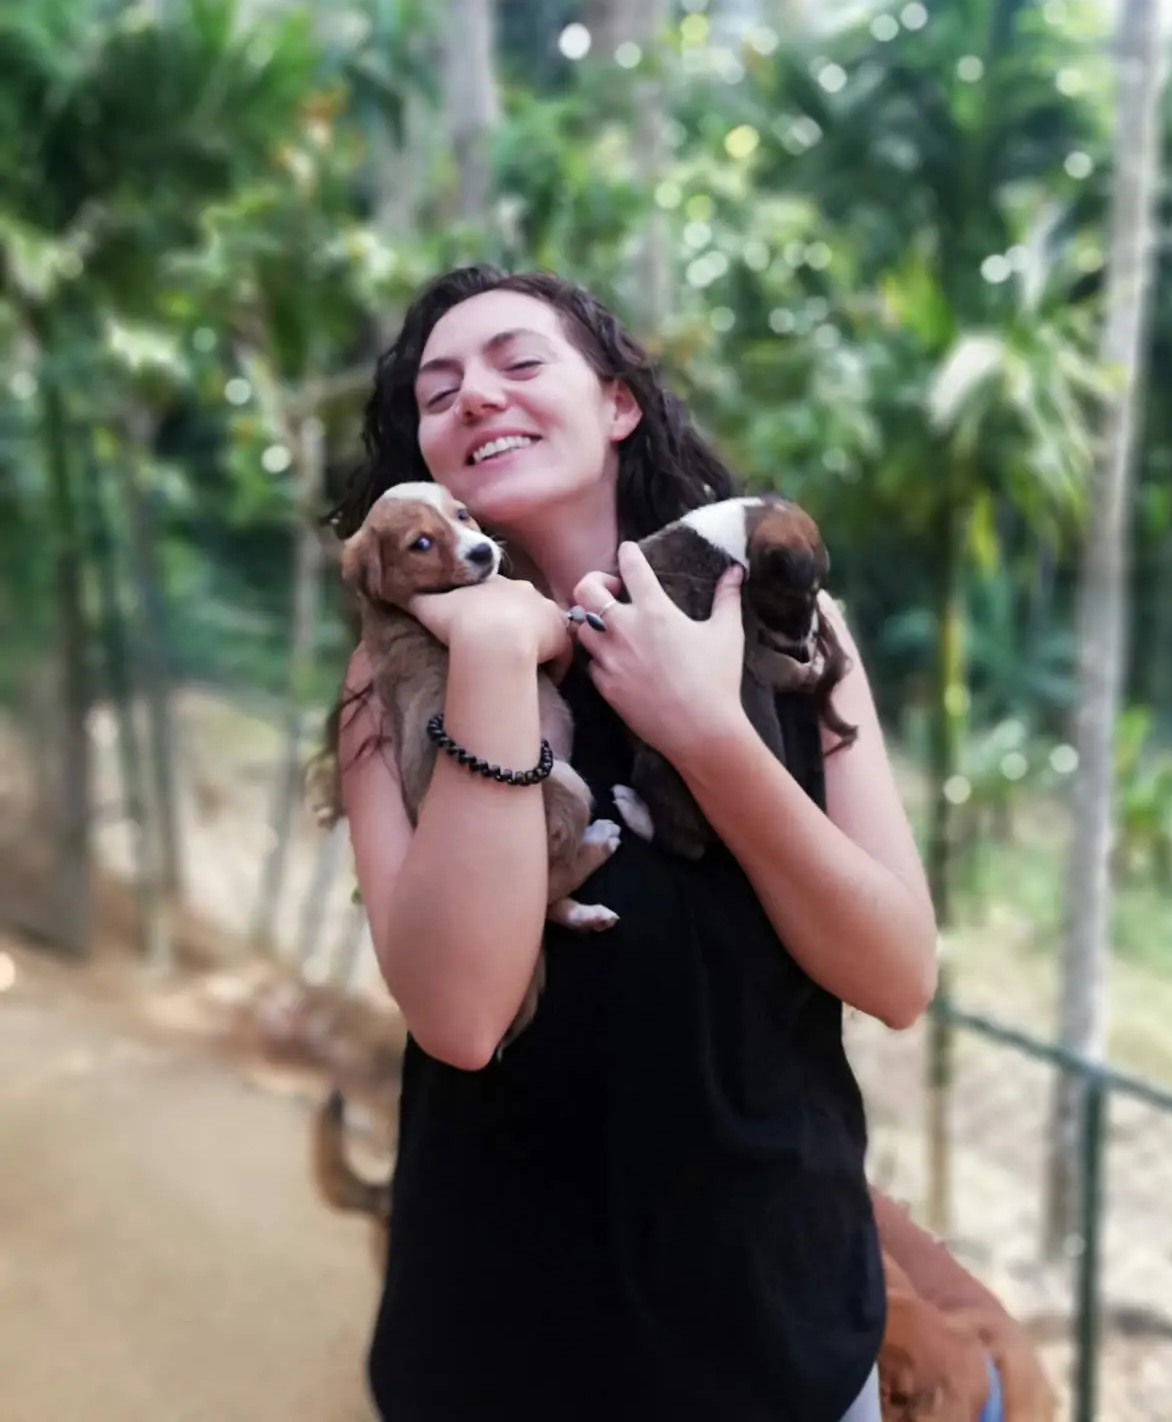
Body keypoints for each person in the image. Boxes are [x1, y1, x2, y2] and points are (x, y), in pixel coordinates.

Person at [330, 264, 938, 1422]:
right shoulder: (391, 672)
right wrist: (498, 655)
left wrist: (703, 728)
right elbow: (461, 1015)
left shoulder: (781, 616)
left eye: (518, 362)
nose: (473, 399)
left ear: (617, 405)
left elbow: (898, 973)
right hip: (500, 1352)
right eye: (438, 389)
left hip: (781, 1344)